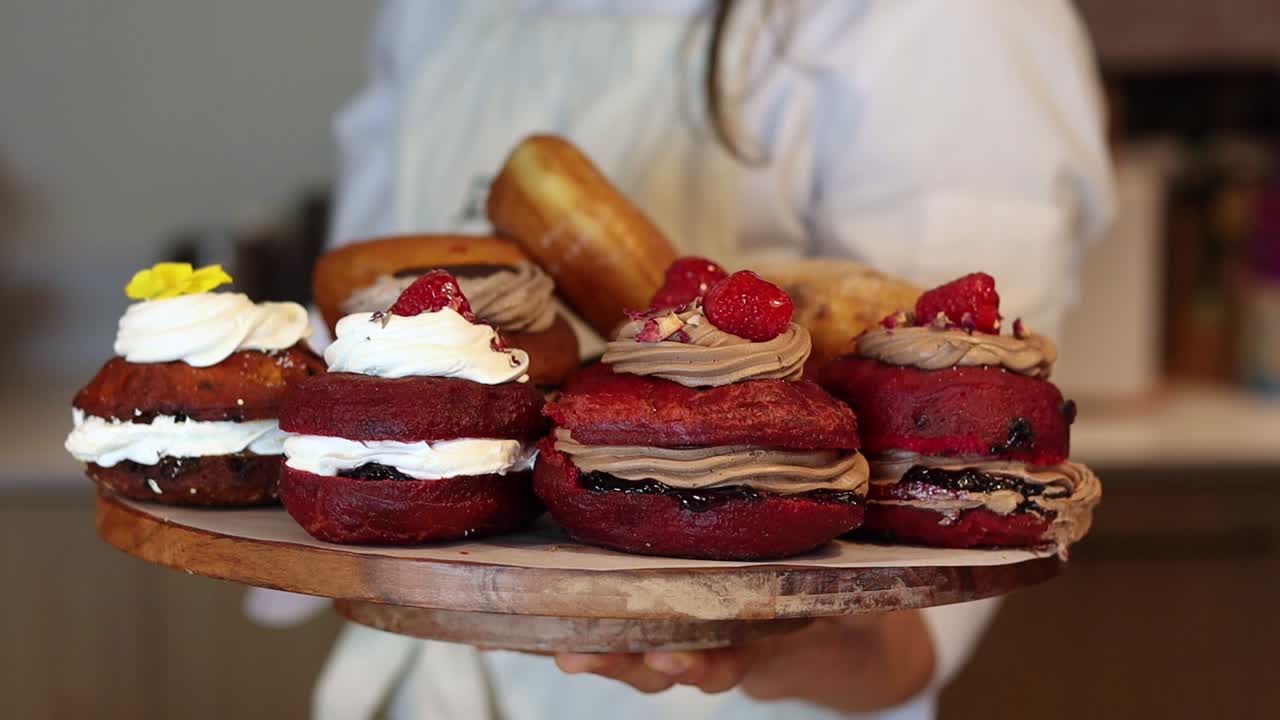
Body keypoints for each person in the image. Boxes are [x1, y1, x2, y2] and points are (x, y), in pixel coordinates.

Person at [251, 1, 1114, 718]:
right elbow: (357, 317)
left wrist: (749, 647)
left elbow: (941, 506)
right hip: (423, 684)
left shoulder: (952, 24)